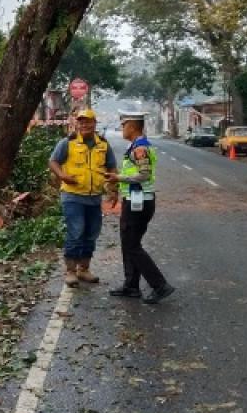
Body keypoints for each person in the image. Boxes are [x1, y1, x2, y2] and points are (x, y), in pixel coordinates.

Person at [105, 112, 175, 304]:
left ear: (133, 127)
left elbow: (144, 175)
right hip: (135, 200)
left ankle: (160, 285)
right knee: (129, 243)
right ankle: (131, 286)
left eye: (123, 125)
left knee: (132, 245)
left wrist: (118, 178)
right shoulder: (135, 146)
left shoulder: (140, 148)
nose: (122, 129)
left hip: (139, 202)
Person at [48, 108, 119, 287]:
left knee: (91, 233)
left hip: (95, 197)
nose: (85, 124)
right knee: (76, 231)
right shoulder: (68, 142)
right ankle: (71, 271)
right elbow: (53, 161)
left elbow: (112, 167)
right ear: (77, 124)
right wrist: (62, 175)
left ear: (95, 123)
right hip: (72, 196)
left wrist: (113, 190)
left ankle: (84, 269)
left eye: (88, 121)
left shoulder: (103, 144)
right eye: (81, 121)